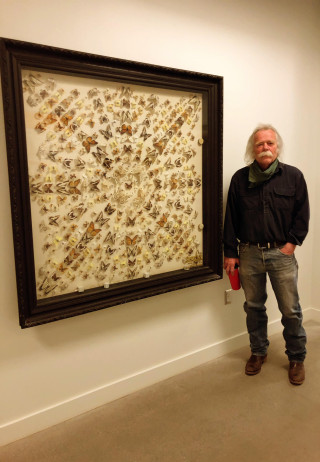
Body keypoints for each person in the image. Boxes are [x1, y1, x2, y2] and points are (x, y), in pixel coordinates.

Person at [223, 124, 309, 385]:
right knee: (254, 307)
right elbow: (231, 219)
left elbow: (302, 213)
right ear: (253, 149)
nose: (265, 148)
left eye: (269, 143)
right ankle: (258, 352)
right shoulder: (240, 179)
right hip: (248, 253)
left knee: (290, 310)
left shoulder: (293, 176)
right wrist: (230, 252)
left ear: (277, 146)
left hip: (281, 253)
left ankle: (296, 357)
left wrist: (292, 244)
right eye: (260, 144)